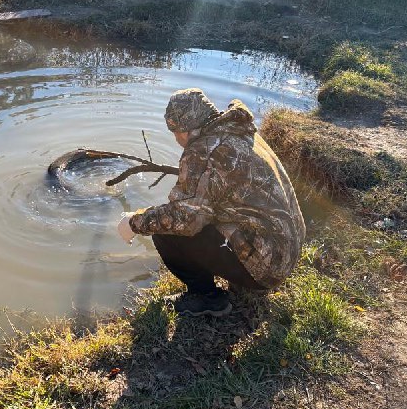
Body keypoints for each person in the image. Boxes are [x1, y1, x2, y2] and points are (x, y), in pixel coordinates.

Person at [117, 88, 306, 317]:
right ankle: (247, 268)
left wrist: (133, 223)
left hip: (269, 269)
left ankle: (208, 298)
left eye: (175, 131)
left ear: (185, 129)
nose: (176, 139)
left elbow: (184, 219)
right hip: (286, 249)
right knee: (196, 215)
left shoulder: (203, 152)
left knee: (165, 230)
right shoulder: (239, 129)